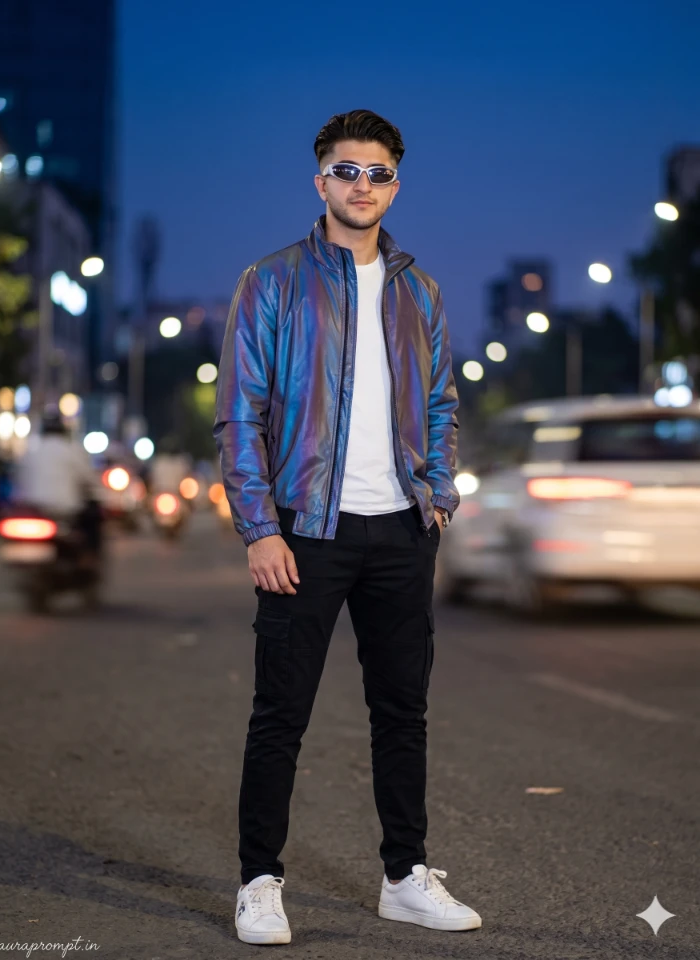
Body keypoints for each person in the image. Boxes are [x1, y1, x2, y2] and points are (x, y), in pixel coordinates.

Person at [214, 109, 481, 945]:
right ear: (320, 180)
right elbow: (239, 413)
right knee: (280, 713)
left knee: (402, 712)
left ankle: (405, 876)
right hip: (305, 531)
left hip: (401, 529)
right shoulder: (272, 281)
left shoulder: (418, 290)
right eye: (346, 170)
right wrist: (260, 527)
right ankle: (260, 881)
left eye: (378, 173)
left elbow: (441, 403)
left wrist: (438, 493)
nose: (362, 185)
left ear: (396, 185)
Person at [14, 409, 103, 561]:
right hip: (66, 511)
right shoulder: (73, 450)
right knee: (93, 519)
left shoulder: (30, 451)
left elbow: (18, 480)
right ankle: (89, 559)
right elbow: (89, 479)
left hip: (32, 508)